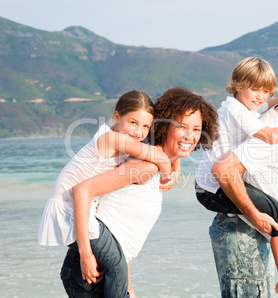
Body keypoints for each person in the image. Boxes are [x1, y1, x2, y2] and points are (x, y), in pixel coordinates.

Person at [61, 87, 219, 297]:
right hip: (91, 272)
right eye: (182, 126)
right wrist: (85, 255)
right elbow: (83, 192)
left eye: (197, 129)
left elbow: (120, 235)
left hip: (107, 268)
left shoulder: (155, 161)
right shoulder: (145, 166)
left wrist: (129, 289)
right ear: (164, 125)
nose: (190, 136)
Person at [195, 57, 278, 297]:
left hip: (224, 199)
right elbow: (270, 137)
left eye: (266, 91)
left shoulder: (252, 107)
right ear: (237, 85)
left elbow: (270, 103)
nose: (261, 96)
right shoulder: (238, 110)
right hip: (214, 190)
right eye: (255, 89)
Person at [38, 90, 175, 297]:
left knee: (118, 264)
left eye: (146, 126)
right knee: (117, 264)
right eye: (133, 123)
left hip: (79, 209)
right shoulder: (111, 138)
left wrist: (175, 164)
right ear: (117, 117)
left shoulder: (120, 138)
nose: (139, 132)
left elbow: (160, 151)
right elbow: (158, 155)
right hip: (69, 209)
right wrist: (168, 171)